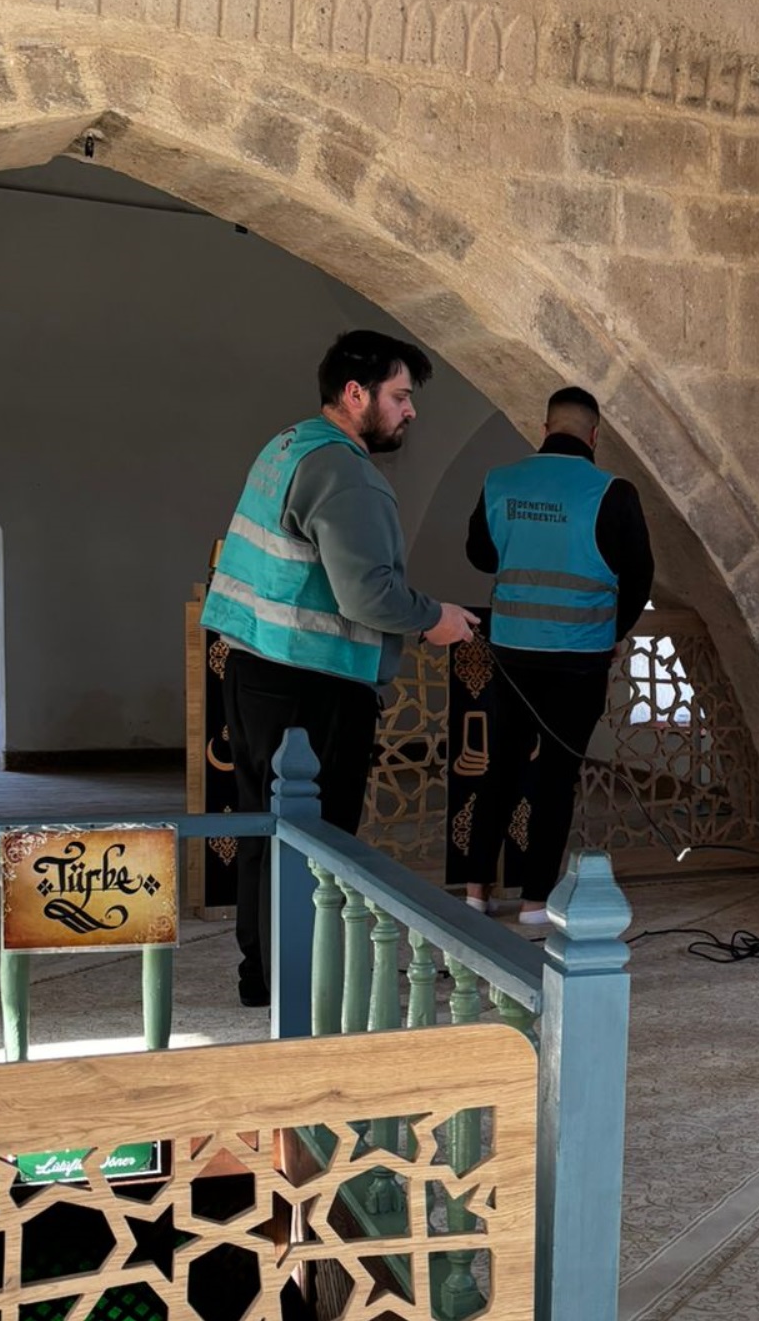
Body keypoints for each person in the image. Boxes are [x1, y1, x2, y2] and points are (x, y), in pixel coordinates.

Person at [204, 330, 476, 1007]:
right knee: (315, 839)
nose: (410, 411)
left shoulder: (287, 445)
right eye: (400, 396)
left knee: (266, 828)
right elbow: (368, 594)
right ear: (355, 394)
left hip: (255, 667)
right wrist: (434, 618)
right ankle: (305, 979)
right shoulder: (347, 471)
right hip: (313, 683)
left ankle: (263, 974)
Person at [460, 387, 654, 928]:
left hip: (513, 654)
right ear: (594, 436)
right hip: (580, 658)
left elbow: (480, 554)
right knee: (555, 777)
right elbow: (638, 575)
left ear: (543, 428)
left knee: (498, 768)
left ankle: (476, 892)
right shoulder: (612, 491)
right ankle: (534, 902)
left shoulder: (501, 481)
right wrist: (616, 630)